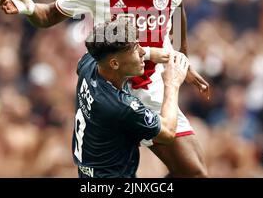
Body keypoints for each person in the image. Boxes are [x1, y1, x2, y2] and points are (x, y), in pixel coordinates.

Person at [0, 0, 209, 177]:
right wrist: (28, 7)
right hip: (117, 90)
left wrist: (181, 61)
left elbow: (177, 13)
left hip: (153, 84)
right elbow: (49, 15)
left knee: (193, 171)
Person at [73, 19, 189, 178]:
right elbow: (168, 132)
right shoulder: (121, 107)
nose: (143, 52)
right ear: (114, 64)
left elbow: (85, 62)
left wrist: (153, 54)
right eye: (136, 48)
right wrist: (172, 84)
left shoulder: (91, 64)